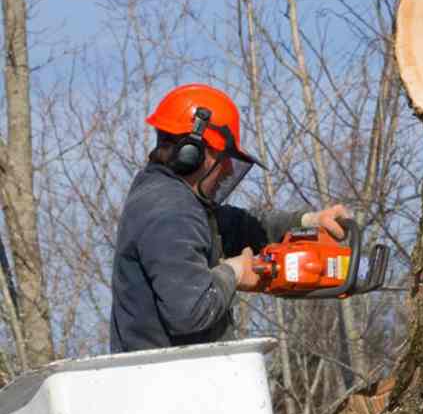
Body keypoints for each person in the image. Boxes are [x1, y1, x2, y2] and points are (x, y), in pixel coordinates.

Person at [110, 83, 347, 353]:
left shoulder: (172, 199)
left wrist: (309, 222)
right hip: (169, 384)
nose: (229, 169)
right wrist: (234, 272)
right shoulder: (170, 212)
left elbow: (239, 226)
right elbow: (191, 311)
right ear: (192, 153)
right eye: (223, 157)